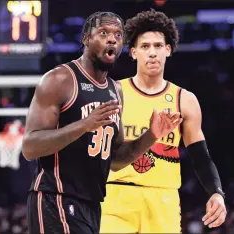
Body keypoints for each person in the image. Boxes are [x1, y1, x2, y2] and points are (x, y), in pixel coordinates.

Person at [22, 11, 182, 234]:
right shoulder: (60, 79)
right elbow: (30, 147)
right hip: (55, 198)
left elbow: (116, 159)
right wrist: (84, 125)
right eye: (103, 32)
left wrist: (151, 135)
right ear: (86, 39)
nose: (112, 39)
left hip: (92, 204)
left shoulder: (115, 91)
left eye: (118, 35)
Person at [100, 9, 227, 233]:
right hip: (115, 197)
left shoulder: (184, 100)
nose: (152, 53)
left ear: (168, 50)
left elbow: (200, 156)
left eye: (158, 46)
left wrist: (216, 192)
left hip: (163, 199)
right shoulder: (113, 92)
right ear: (133, 52)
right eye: (145, 46)